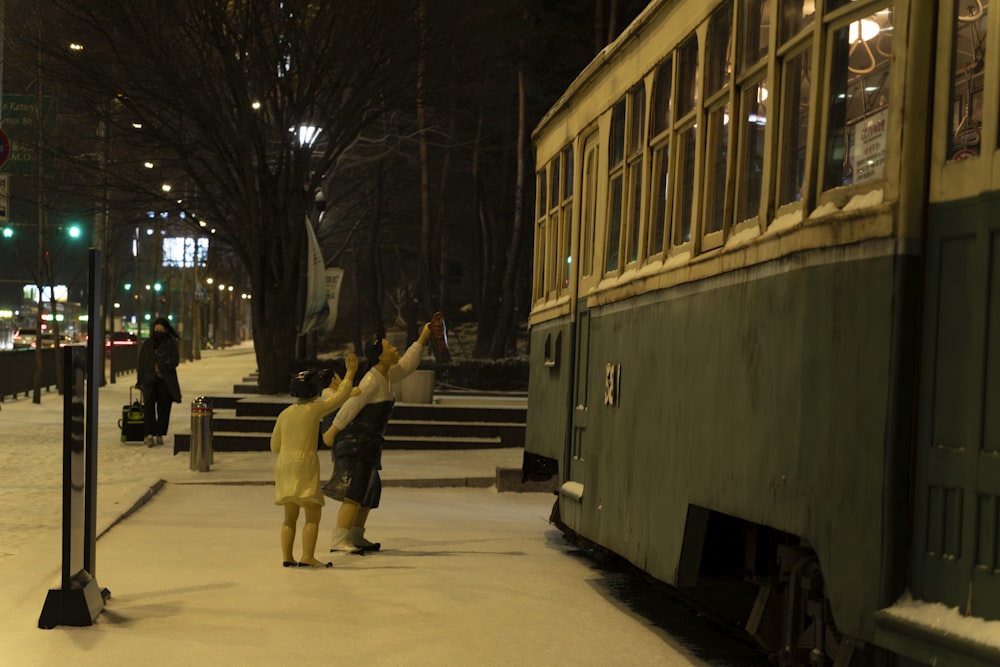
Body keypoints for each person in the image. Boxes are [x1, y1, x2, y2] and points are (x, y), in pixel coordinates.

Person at [322, 320, 436, 552]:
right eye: (389, 347)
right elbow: (351, 406)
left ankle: (355, 535)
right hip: (357, 444)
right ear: (381, 357)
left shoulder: (387, 374)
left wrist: (423, 337)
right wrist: (333, 430)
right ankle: (339, 539)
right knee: (354, 492)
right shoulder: (372, 380)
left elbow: (406, 365)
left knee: (368, 491)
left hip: (370, 444)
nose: (395, 349)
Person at [271, 355, 359, 568]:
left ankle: (287, 557)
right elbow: (340, 398)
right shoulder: (314, 409)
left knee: (289, 517)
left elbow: (274, 446)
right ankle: (308, 556)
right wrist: (350, 373)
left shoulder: (284, 414)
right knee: (312, 515)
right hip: (305, 464)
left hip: (284, 466)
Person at [137, 317, 182, 447]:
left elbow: (175, 361)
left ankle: (159, 433)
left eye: (161, 330)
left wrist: (162, 362)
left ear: (166, 330)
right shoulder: (148, 344)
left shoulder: (170, 344)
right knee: (149, 408)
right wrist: (139, 380)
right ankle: (149, 434)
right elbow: (141, 363)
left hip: (165, 381)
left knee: (164, 409)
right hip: (149, 380)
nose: (158, 332)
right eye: (156, 329)